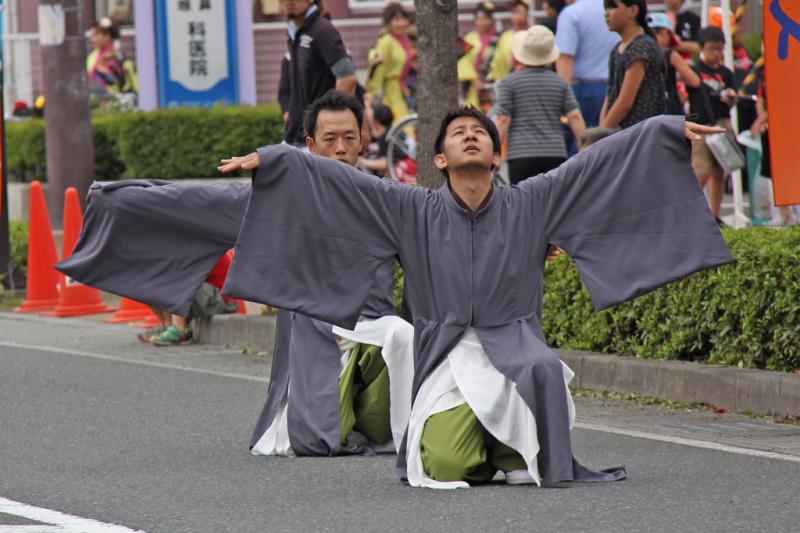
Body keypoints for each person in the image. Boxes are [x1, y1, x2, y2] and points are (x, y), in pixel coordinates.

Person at [220, 107, 730, 488]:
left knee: (542, 371)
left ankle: (510, 445)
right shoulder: (411, 209)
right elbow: (340, 181)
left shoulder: (533, 201)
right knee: (443, 465)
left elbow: (596, 164)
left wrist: (660, 129)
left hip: (516, 343)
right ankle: (502, 449)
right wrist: (277, 160)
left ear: (495, 153)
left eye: (479, 132)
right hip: (446, 351)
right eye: (458, 133)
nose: (470, 136)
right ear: (439, 158)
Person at [57, 91, 413, 457]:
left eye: (349, 138)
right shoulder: (282, 204)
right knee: (329, 419)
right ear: (310, 145)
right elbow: (192, 205)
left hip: (375, 345)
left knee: (403, 336)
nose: (341, 148)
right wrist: (113, 199)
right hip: (321, 345)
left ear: (364, 141)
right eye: (330, 139)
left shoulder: (387, 200)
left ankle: (404, 435)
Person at [493, 25, 585, 184]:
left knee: (524, 204)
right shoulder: (560, 83)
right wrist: (585, 150)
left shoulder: (509, 83)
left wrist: (493, 153)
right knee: (552, 204)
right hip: (554, 153)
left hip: (520, 155)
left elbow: (503, 120)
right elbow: (575, 117)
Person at [278, 0, 358, 146]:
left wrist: (330, 124)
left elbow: (347, 78)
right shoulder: (296, 33)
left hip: (316, 143)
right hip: (295, 138)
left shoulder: (322, 30)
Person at [687, 26, 737, 219]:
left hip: (722, 123)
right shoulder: (694, 70)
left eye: (720, 49)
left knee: (719, 173)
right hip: (701, 125)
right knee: (701, 171)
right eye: (711, 49)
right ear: (701, 48)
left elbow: (733, 98)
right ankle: (693, 215)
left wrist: (731, 98)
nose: (716, 53)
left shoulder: (726, 72)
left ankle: (715, 215)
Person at [141, 251, 240, 345]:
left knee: (176, 277)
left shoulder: (202, 246)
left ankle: (179, 330)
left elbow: (185, 276)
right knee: (150, 286)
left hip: (224, 301)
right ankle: (168, 325)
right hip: (207, 295)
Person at [600, 0, 666, 129]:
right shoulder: (616, 50)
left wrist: (603, 133)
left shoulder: (641, 46)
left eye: (612, 7)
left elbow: (625, 103)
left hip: (641, 134)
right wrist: (602, 127)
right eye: (605, 8)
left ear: (633, 11)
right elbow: (610, 94)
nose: (606, 14)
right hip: (622, 134)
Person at [555, 0, 620, 128]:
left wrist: (563, 99)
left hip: (584, 91)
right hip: (617, 86)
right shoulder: (616, 8)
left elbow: (565, 57)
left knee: (584, 142)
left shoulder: (572, 13)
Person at [367, 2, 415, 120]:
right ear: (388, 22)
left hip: (403, 89)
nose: (401, 23)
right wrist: (371, 94)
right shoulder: (386, 41)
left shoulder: (405, 40)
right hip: (391, 90)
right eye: (396, 19)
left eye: (404, 18)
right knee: (400, 124)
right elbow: (379, 69)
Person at [647, 12, 701, 116]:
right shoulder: (669, 54)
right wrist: (679, 77)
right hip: (669, 110)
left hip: (647, 112)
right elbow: (695, 81)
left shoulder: (639, 53)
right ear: (664, 32)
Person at [458, 2, 501, 110]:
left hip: (494, 86)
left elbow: (503, 60)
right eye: (478, 19)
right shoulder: (469, 38)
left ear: (491, 20)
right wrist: (474, 79)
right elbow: (464, 60)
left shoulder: (499, 38)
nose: (481, 22)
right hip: (474, 87)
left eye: (485, 18)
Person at [86, 18, 138, 104]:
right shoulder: (93, 56)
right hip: (95, 101)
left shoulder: (118, 57)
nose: (92, 39)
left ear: (107, 35)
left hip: (114, 103)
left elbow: (122, 83)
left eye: (95, 35)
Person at [489, 0, 530, 82]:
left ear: (527, 15)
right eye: (514, 12)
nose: (516, 16)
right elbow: (498, 60)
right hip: (509, 79)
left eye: (519, 12)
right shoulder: (505, 36)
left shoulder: (533, 33)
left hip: (529, 79)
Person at [359, 103, 394, 177]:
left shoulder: (387, 137)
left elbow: (386, 163)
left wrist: (362, 161)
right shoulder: (393, 131)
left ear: (376, 121)